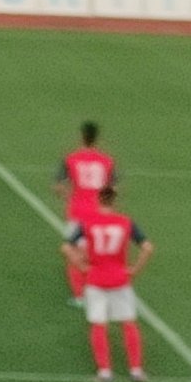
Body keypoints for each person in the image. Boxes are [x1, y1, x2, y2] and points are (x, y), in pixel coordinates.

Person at [60, 186, 152, 382]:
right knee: (128, 322)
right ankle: (136, 370)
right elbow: (147, 247)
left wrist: (82, 266)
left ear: (98, 201)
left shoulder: (87, 223)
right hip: (120, 279)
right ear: (115, 201)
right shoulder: (125, 222)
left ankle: (105, 372)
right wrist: (135, 269)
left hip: (95, 279)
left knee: (98, 324)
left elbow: (67, 247)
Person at [53, 121, 116, 307]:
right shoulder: (107, 161)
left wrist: (68, 197)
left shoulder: (71, 159)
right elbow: (113, 188)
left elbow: (58, 186)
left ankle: (80, 295)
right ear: (97, 138)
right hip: (100, 213)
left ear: (82, 136)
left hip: (78, 212)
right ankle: (103, 290)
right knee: (99, 253)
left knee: (73, 252)